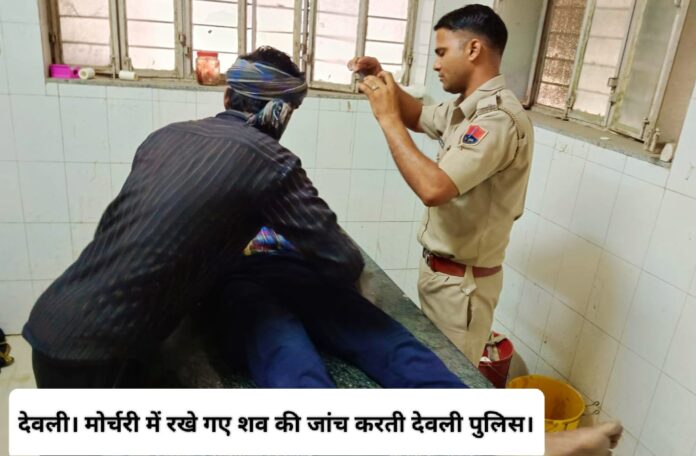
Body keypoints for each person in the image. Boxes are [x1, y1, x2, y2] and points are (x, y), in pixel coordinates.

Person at [22, 46, 364, 388]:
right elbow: (343, 260)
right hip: (102, 355)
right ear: (282, 113)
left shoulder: (164, 136)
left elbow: (130, 231)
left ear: (228, 96)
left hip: (54, 321)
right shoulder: (273, 162)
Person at [348, 4, 533, 366]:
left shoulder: (497, 119)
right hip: (442, 277)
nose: (436, 64)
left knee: (448, 385)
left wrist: (387, 119)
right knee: (430, 374)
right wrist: (383, 80)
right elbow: (418, 115)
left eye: (442, 52)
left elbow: (434, 189)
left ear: (474, 49)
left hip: (462, 290)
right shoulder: (465, 108)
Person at [210, 226, 466, 388]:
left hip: (302, 267)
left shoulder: (276, 181)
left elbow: (336, 246)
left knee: (383, 339)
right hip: (239, 273)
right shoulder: (213, 192)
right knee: (285, 350)